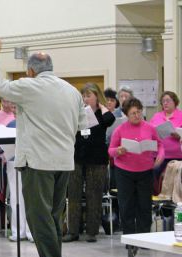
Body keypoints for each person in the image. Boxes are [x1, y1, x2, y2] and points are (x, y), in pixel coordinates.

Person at [0, 37, 86, 257]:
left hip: (38, 162)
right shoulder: (72, 91)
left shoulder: (29, 86)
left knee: (38, 215)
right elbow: (81, 125)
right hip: (63, 161)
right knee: (53, 215)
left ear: (31, 70)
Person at [63, 83, 115, 243]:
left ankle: (92, 231)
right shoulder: (78, 112)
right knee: (74, 194)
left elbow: (110, 119)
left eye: (88, 96)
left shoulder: (103, 114)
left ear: (96, 97)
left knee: (94, 194)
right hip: (77, 156)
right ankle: (73, 231)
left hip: (96, 158)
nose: (85, 99)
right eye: (83, 96)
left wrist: (102, 106)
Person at [109, 98, 164, 235]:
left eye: (139, 112)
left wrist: (160, 156)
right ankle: (129, 237)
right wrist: (118, 151)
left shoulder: (150, 127)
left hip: (145, 171)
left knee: (144, 206)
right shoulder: (120, 129)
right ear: (127, 114)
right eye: (133, 113)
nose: (137, 115)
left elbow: (160, 145)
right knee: (126, 206)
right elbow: (110, 150)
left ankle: (144, 236)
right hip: (124, 172)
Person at [6, 119, 33, 242]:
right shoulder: (10, 125)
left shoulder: (33, 121)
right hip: (13, 162)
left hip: (31, 162)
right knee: (15, 198)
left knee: (30, 197)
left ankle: (31, 231)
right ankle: (18, 231)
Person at [149, 91, 182, 182]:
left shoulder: (181, 116)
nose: (165, 103)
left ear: (175, 102)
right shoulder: (157, 116)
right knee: (153, 172)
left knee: (174, 179)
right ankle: (155, 195)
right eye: (163, 101)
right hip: (158, 155)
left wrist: (179, 136)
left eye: (168, 100)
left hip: (177, 156)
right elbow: (149, 131)